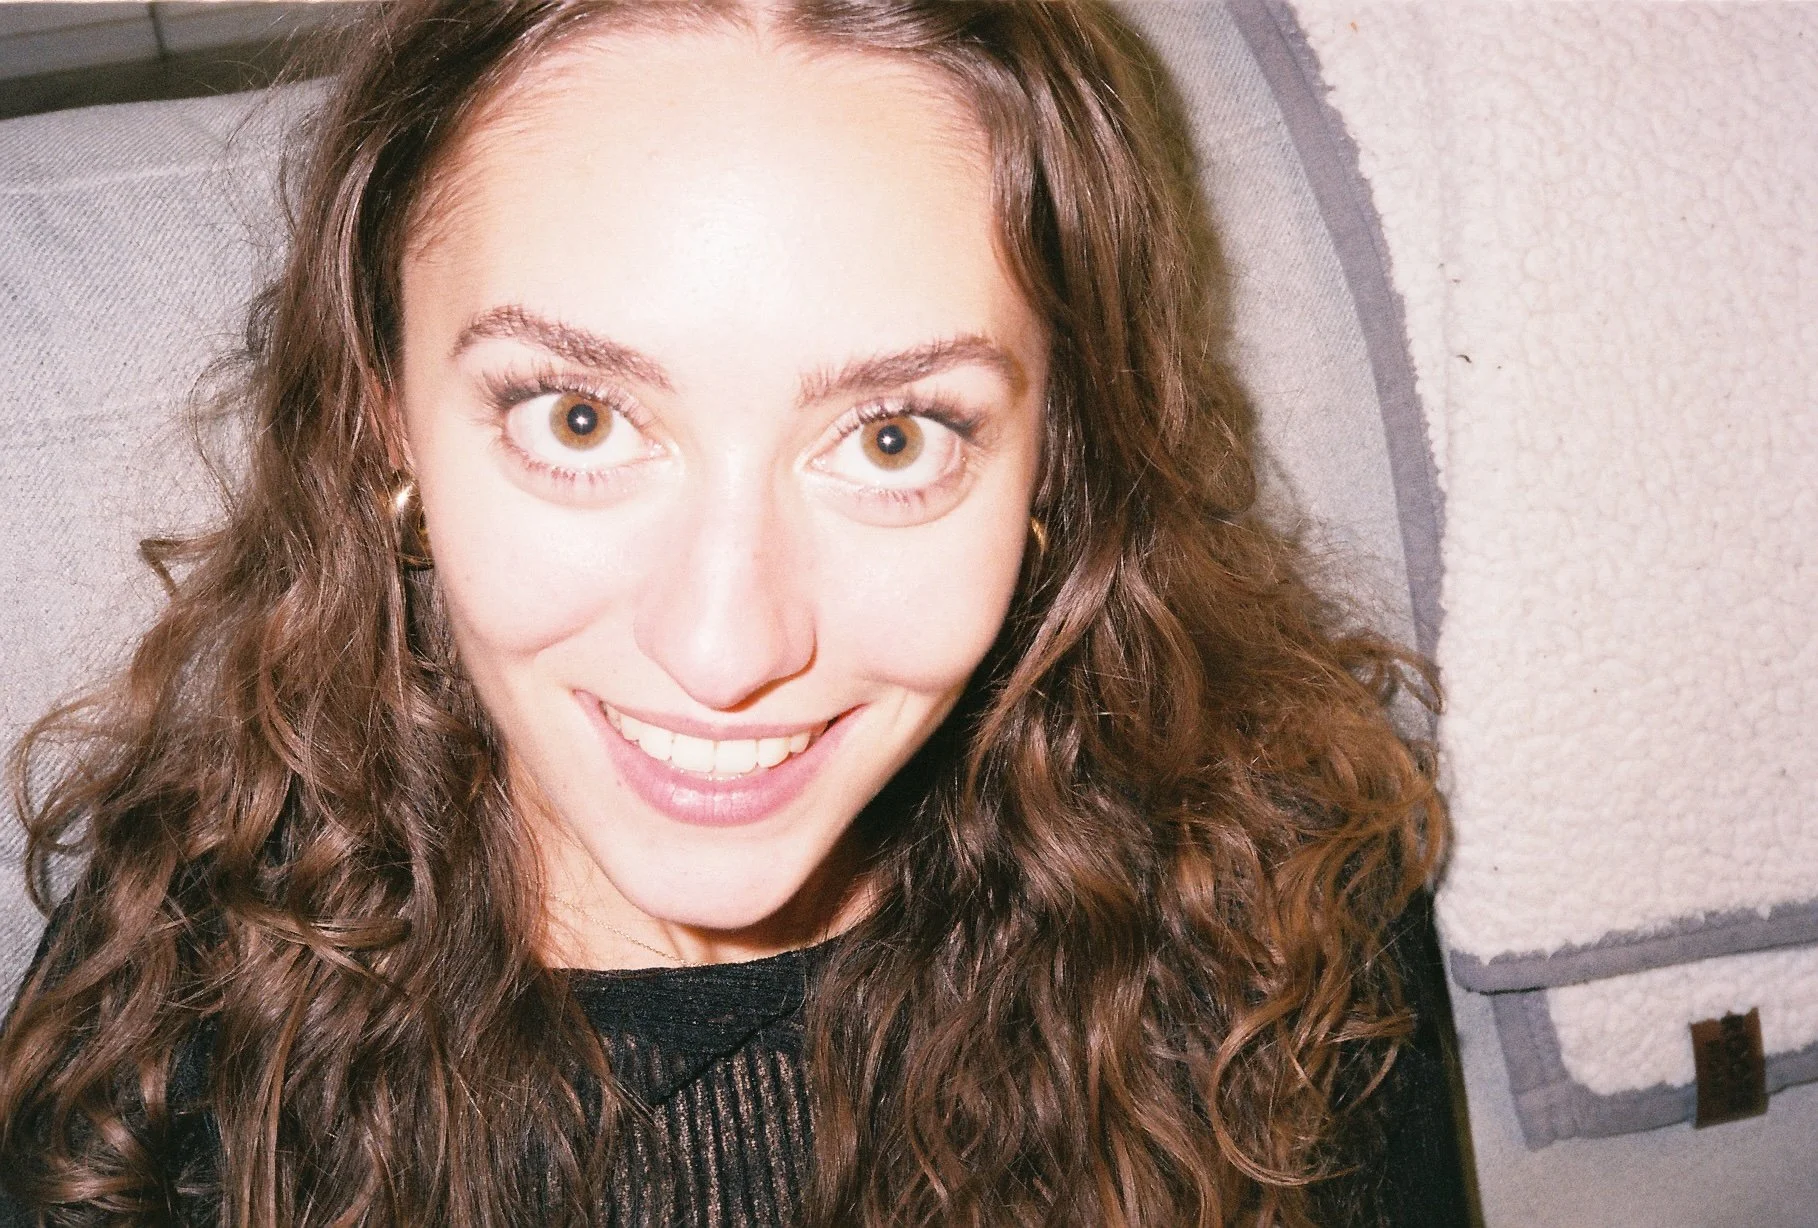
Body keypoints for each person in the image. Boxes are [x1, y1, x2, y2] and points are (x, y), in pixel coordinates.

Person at [0, 1, 1463, 1224]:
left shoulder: (1271, 930)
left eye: (894, 439)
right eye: (578, 419)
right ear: (386, 422)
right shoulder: (174, 1011)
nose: (728, 649)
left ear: (1051, 467)